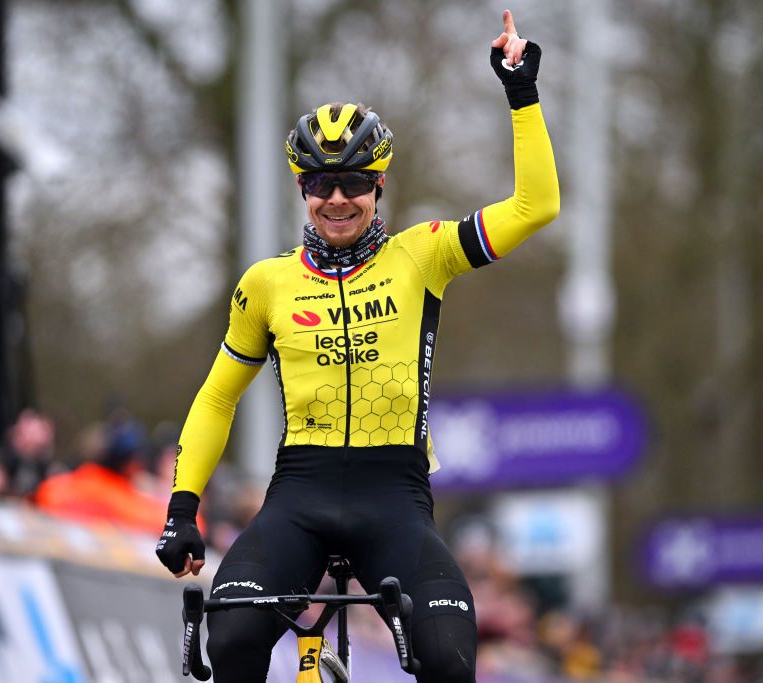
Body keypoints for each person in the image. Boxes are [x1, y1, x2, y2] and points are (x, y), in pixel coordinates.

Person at [155, 9, 559, 682]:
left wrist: (521, 92)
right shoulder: (268, 283)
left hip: (394, 496)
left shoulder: (422, 254)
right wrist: (181, 507)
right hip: (299, 495)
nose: (336, 199)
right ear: (301, 189)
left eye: (352, 183)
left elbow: (535, 206)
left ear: (380, 185)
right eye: (319, 184)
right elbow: (218, 395)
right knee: (230, 639)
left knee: (449, 660)